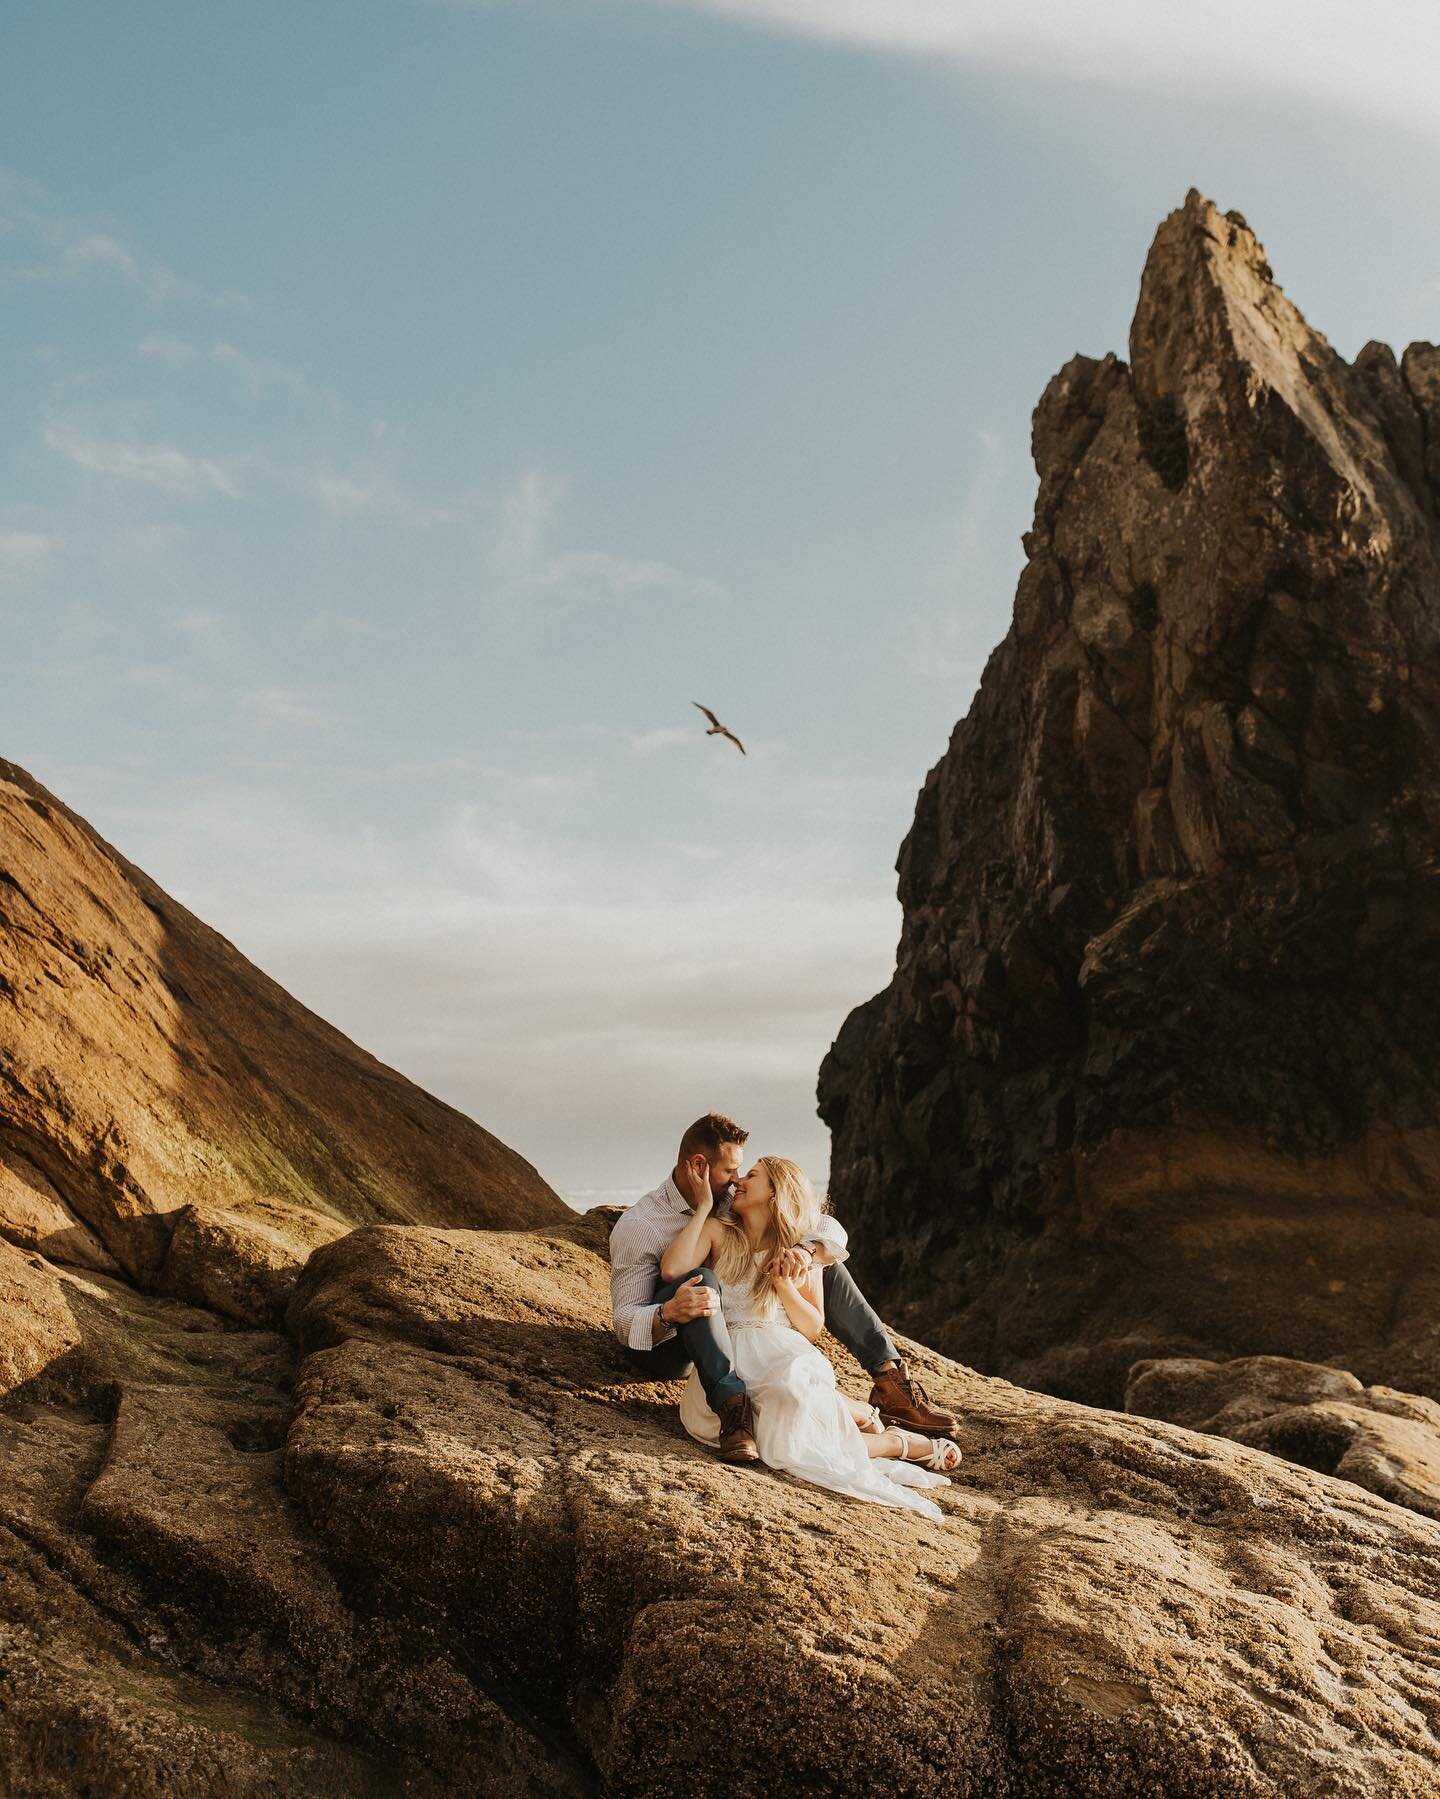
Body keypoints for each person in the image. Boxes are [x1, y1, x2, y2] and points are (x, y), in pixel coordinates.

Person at [608, 1112, 955, 1464]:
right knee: (703, 1281)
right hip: (669, 1342)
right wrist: (669, 1312)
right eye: (730, 1171)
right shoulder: (642, 1225)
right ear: (699, 1165)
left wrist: (805, 1253)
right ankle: (737, 1406)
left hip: (738, 1334)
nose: (737, 1180)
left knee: (820, 1256)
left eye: (743, 1172)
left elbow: (824, 1226)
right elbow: (625, 1319)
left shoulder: (734, 1200)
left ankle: (888, 1379)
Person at [664, 1153, 960, 1518]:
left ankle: (888, 1438)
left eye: (752, 1176)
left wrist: (783, 1285)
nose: (739, 1181)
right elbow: (674, 1269)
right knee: (766, 1435)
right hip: (728, 1356)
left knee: (787, 1420)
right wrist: (705, 1206)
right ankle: (882, 1435)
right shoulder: (717, 1232)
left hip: (781, 1351)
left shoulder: (802, 1250)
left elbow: (812, 1326)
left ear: (775, 1192)